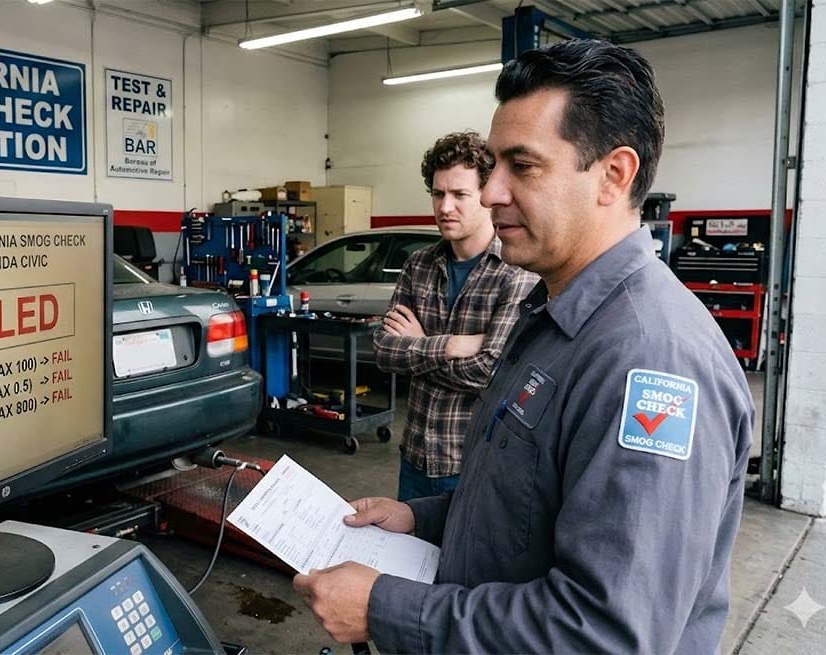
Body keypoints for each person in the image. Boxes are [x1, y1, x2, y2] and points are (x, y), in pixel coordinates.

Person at [293, 39, 754, 654]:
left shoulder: (650, 359)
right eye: (492, 166)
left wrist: (385, 610)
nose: (490, 193)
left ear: (614, 175)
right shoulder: (553, 315)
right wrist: (422, 518)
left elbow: (606, 636)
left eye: (523, 166)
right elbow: (525, 506)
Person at [374, 131, 536, 501]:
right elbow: (383, 351)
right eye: (438, 194)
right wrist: (450, 346)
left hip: (472, 463)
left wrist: (418, 345)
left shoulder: (514, 271)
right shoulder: (419, 265)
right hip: (415, 457)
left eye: (460, 194)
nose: (445, 207)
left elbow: (490, 372)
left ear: (486, 194)